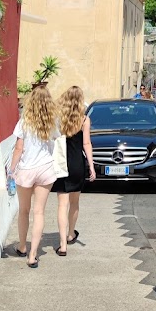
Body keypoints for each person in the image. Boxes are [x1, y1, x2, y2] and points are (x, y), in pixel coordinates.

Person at [8, 83, 59, 268]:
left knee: (24, 210)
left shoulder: (24, 122)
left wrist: (11, 169)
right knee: (39, 212)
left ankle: (22, 247)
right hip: (45, 169)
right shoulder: (51, 122)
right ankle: (33, 255)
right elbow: (56, 139)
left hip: (26, 169)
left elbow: (19, 148)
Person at [52, 86, 96, 255]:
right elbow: (86, 144)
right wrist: (91, 166)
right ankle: (71, 234)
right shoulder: (84, 120)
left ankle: (62, 245)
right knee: (74, 202)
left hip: (61, 164)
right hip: (77, 164)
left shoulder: (59, 119)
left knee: (62, 205)